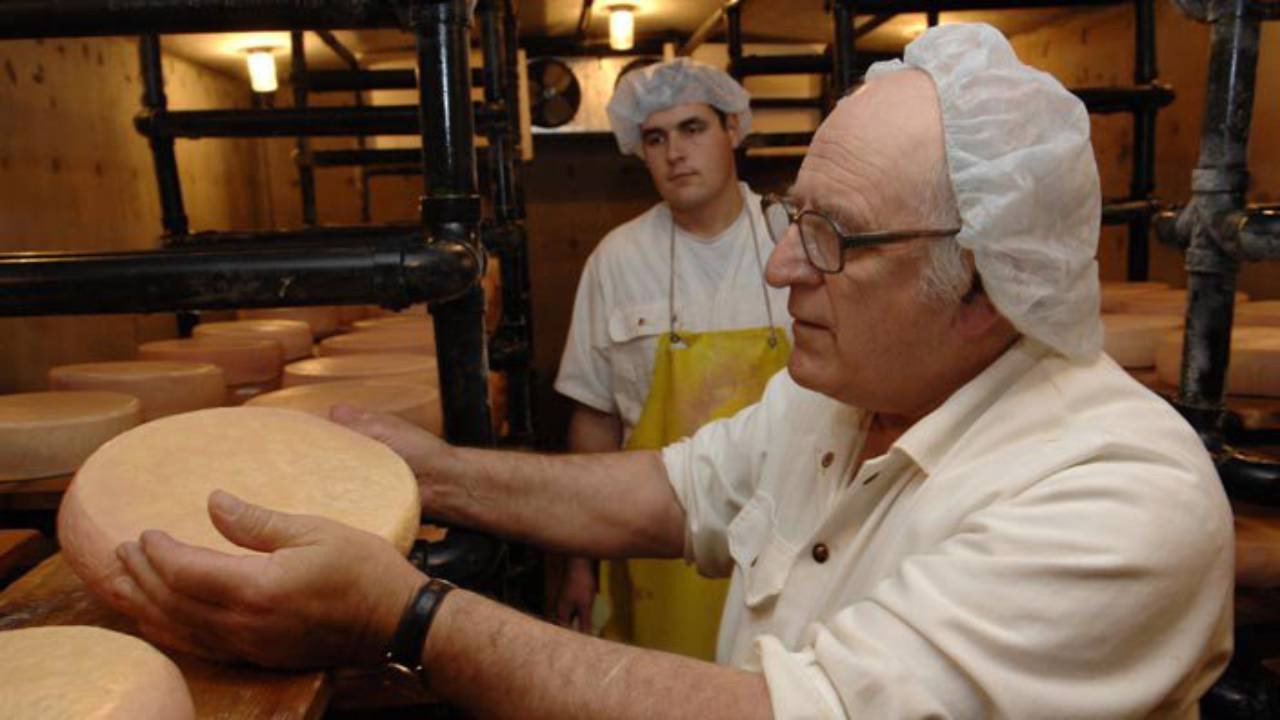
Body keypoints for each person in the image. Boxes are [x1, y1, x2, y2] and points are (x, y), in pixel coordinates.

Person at [111, 25, 1232, 718]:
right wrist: (426, 470)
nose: (784, 264)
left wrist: (404, 618)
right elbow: (670, 489)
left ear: (981, 283)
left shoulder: (1113, 498)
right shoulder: (844, 395)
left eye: (833, 237)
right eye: (794, 215)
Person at [550, 58, 790, 657]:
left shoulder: (791, 240)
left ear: (733, 129)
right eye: (655, 139)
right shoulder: (617, 260)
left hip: (785, 533)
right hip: (657, 541)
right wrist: (579, 563)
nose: (675, 153)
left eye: (692, 129)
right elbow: (595, 421)